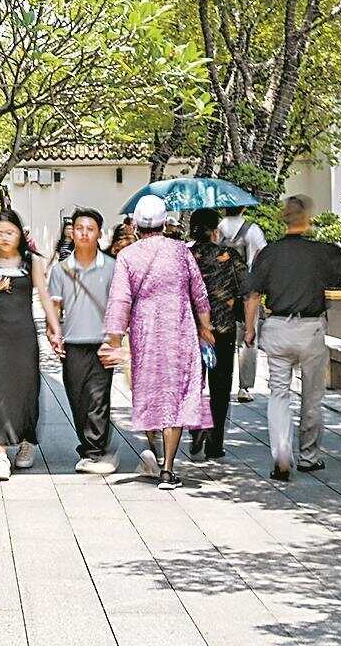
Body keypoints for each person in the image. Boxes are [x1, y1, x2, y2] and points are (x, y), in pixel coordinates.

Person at [243, 194, 341, 481]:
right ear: (307, 219)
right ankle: (309, 455)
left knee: (278, 393)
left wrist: (249, 329)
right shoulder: (322, 251)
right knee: (312, 395)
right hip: (310, 329)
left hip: (278, 327)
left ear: (283, 219)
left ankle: (282, 454)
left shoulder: (269, 253)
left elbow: (253, 294)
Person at [102, 194, 214, 489]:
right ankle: (168, 469)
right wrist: (205, 327)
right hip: (179, 332)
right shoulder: (180, 251)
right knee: (177, 395)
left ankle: (152, 449)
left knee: (151, 391)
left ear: (136, 226)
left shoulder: (127, 256)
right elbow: (199, 292)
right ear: (165, 224)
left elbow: (120, 300)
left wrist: (115, 339)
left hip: (146, 334)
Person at [41, 208, 118, 474]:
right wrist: (53, 333)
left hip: (102, 343)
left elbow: (119, 306)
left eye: (90, 229)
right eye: (79, 228)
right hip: (73, 344)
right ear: (71, 233)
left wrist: (115, 341)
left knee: (98, 398)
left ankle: (94, 452)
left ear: (99, 234)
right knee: (78, 400)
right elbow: (55, 307)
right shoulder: (61, 270)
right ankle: (92, 444)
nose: (84, 233)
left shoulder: (112, 267)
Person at [0, 209, 45, 480]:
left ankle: (26, 441)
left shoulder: (31, 261)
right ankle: (0, 455)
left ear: (19, 234)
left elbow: (45, 295)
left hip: (24, 335)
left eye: (9, 232)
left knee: (27, 389)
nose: (3, 238)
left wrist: (54, 329)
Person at [187, 208, 246, 461]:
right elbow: (246, 287)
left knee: (192, 384)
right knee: (220, 387)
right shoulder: (229, 255)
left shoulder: (185, 256)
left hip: (191, 330)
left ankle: (196, 428)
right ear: (214, 230)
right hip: (222, 329)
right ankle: (215, 442)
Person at [220, 205, 269, 404]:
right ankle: (244, 387)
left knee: (223, 339)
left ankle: (222, 383)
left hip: (222, 291)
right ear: (244, 207)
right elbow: (263, 256)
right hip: (246, 290)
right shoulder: (252, 230)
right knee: (248, 338)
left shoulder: (218, 228)